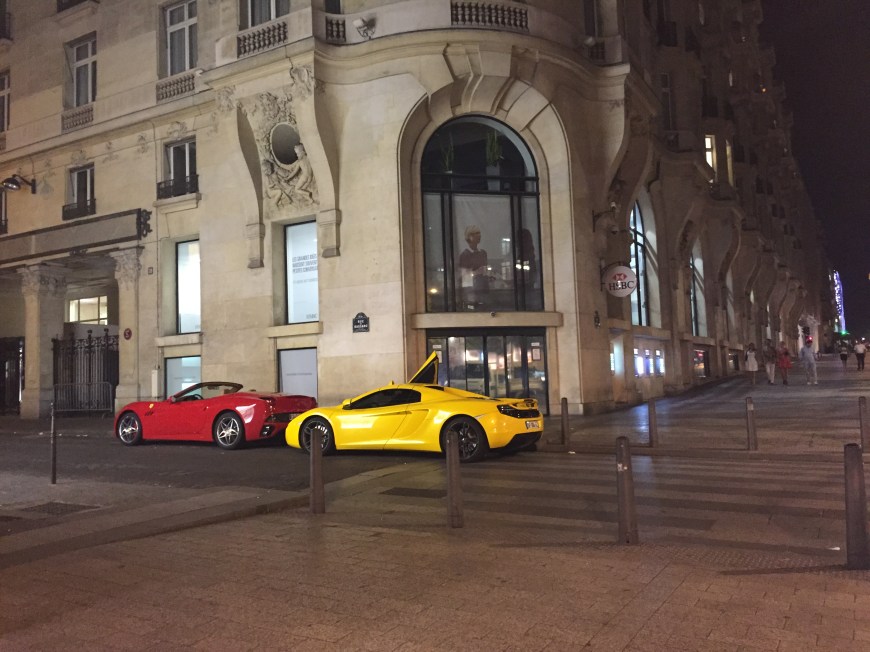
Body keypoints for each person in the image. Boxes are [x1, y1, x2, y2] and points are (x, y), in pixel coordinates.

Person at [458, 225, 489, 307]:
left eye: (479, 233)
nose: (479, 235)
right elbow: (464, 277)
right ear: (469, 237)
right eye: (476, 233)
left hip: (484, 290)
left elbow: (485, 270)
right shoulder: (464, 255)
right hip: (472, 292)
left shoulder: (483, 253)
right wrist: (477, 272)